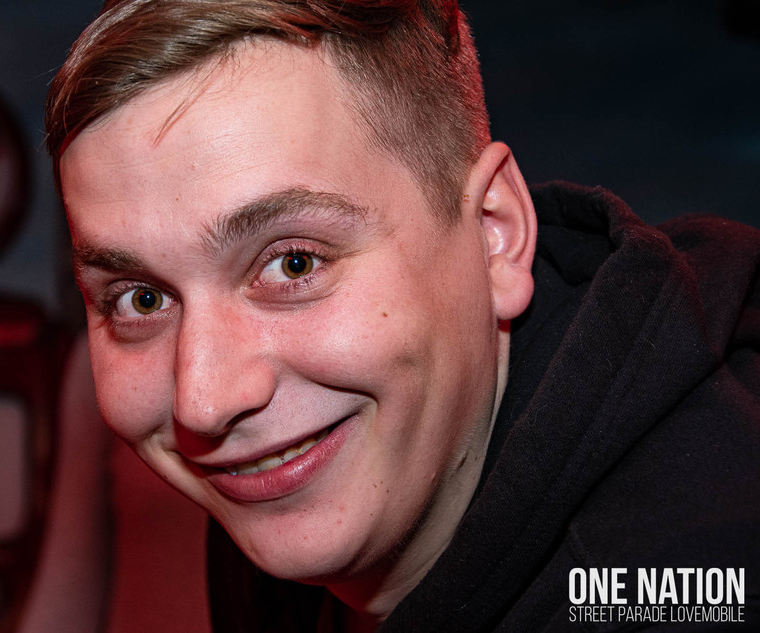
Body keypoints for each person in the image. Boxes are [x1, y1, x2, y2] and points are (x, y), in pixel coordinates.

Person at [44, 1, 760, 630]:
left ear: (494, 235)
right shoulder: (309, 475)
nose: (204, 400)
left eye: (293, 264)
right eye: (141, 299)